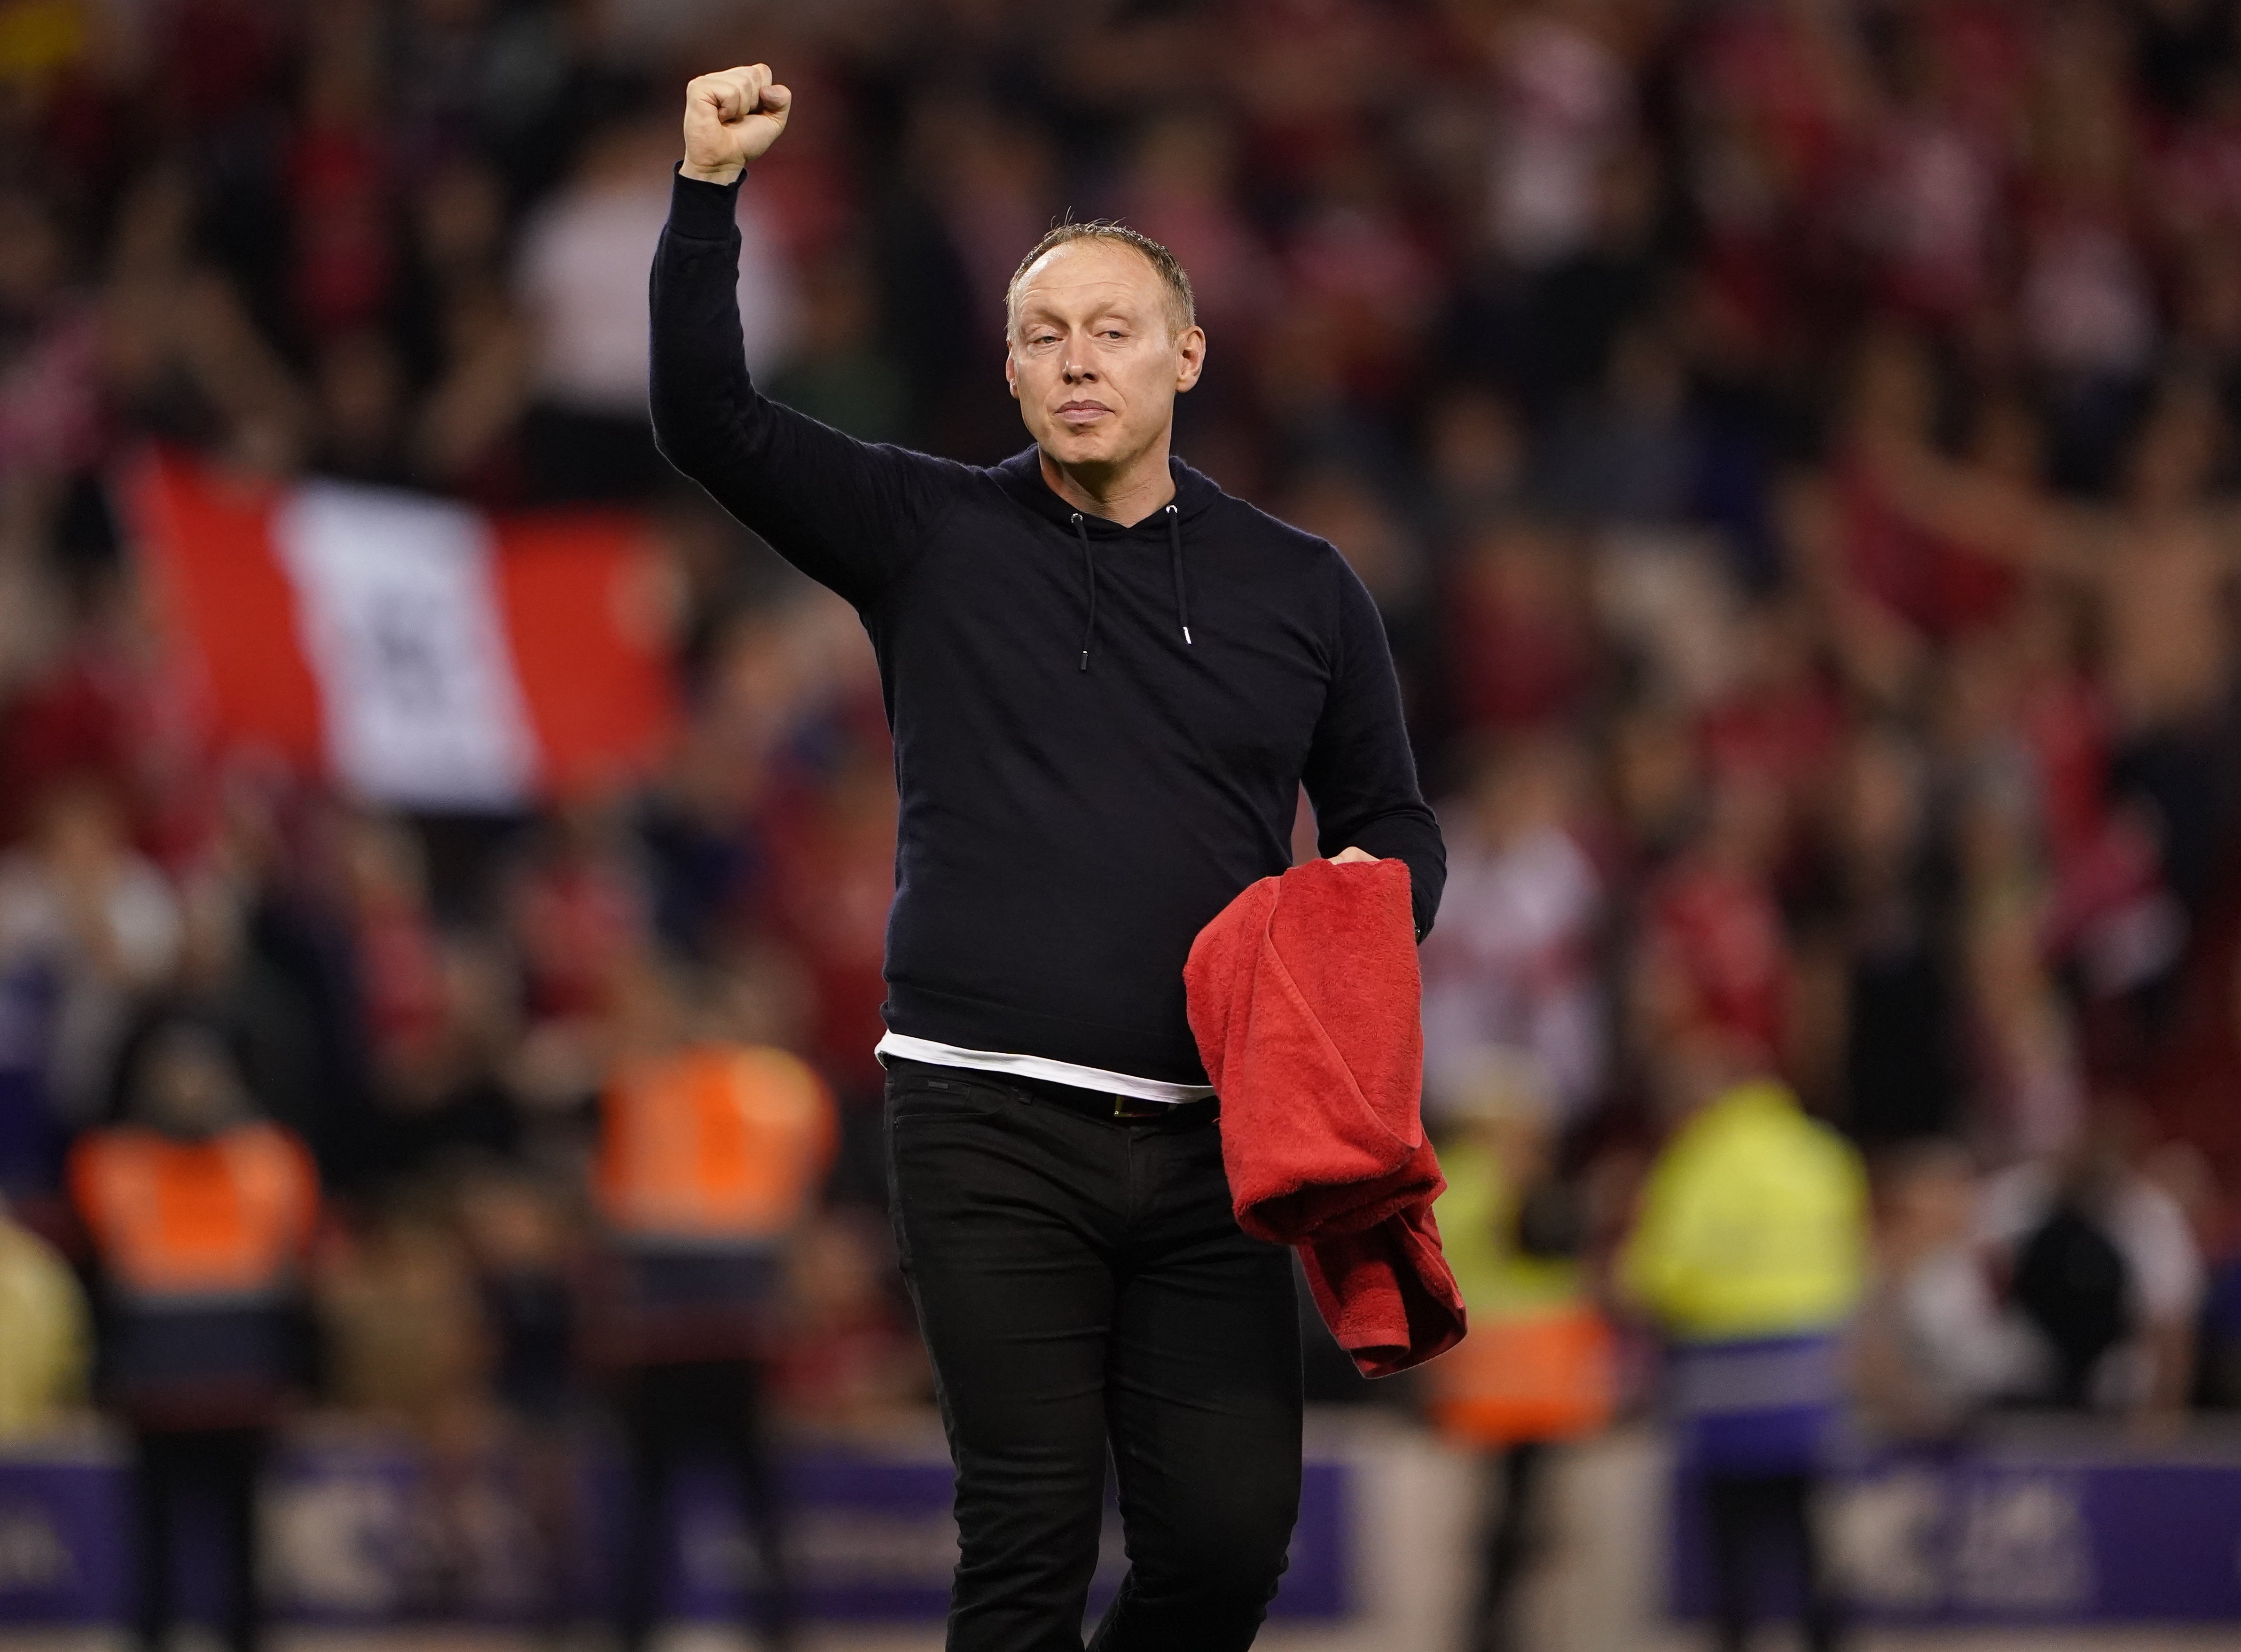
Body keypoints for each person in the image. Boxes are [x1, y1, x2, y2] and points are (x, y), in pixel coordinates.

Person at [650, 63, 1446, 1652]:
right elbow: (708, 421)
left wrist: (1346, 942)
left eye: (1111, 330)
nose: (1077, 360)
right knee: (1020, 1547)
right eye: (1042, 335)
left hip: (1222, 1134)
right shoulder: (929, 535)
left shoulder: (1300, 589)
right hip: (981, 1112)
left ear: (1187, 355)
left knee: (1221, 1551)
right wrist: (705, 194)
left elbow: (1392, 823)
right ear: (1009, 372)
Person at [593, 963, 836, 1652]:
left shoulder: (643, 1085)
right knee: (752, 1502)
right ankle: (777, 1629)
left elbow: (610, 1201)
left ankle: (637, 1630)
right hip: (736, 1328)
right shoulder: (783, 1089)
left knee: (653, 1504)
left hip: (666, 1330)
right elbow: (799, 1210)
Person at [68, 1008, 320, 1652]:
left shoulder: (271, 1158)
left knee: (243, 1553)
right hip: (153, 1387)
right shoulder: (112, 1162)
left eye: (201, 1071)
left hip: (246, 1383)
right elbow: (96, 1280)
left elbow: (299, 1278)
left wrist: (303, 1371)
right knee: (151, 1554)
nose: (188, 1085)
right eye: (174, 1072)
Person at [1620, 1040, 1868, 1652]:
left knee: (1731, 1537)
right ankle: (1827, 1635)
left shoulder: (1700, 1159)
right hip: (1806, 1372)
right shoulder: (1822, 1153)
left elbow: (1658, 1274)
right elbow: (1853, 1253)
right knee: (1806, 1525)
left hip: (1724, 1375)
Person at [1425, 1050, 1613, 1652]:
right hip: (1514, 1375)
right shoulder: (1483, 1183)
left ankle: (1497, 1628)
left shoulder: (1460, 1182)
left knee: (1514, 1520)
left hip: (1517, 1373)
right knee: (1511, 1522)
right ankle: (1493, 1631)